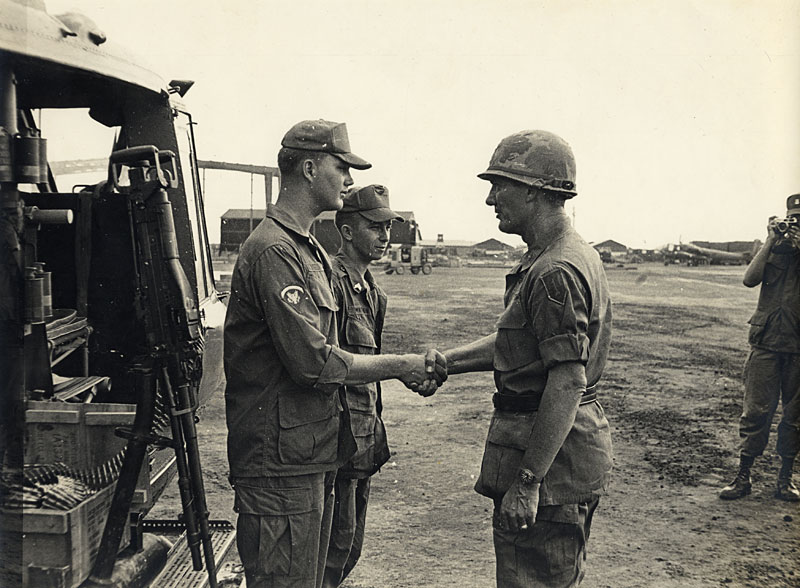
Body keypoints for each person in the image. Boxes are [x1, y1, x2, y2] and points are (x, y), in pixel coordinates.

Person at [224, 119, 445, 588]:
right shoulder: (273, 252)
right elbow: (316, 362)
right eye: (340, 166)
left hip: (309, 456)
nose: (348, 178)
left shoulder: (307, 252)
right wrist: (404, 365)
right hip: (278, 466)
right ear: (308, 168)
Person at [439, 130, 613, 587]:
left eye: (501, 185)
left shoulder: (555, 270)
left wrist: (528, 482)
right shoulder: (554, 257)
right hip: (558, 458)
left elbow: (567, 380)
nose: (491, 198)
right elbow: (517, 345)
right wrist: (445, 363)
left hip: (548, 470)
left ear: (535, 191)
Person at [322, 184, 403, 587]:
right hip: (338, 442)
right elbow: (329, 367)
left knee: (349, 547)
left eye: (388, 227)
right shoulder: (330, 283)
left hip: (364, 437)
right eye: (375, 227)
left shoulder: (373, 293)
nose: (385, 237)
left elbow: (369, 375)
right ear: (348, 231)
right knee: (332, 548)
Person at [719, 194, 800, 502]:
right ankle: (743, 477)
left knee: (795, 417)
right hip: (766, 343)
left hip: (798, 347)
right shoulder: (773, 248)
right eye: (793, 219)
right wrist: (770, 241)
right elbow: (749, 279)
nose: (795, 225)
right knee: (755, 413)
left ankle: (785, 479)